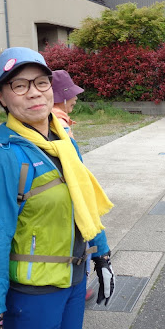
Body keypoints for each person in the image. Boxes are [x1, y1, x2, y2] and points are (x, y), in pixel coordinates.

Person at [0, 47, 114, 329]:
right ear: (2, 97)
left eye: (41, 83)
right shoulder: (1, 155)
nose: (34, 93)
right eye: (19, 85)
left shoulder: (63, 141)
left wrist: (101, 254)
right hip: (32, 293)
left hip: (73, 278)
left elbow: (82, 203)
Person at [51, 69, 97, 302]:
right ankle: (82, 282)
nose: (76, 98)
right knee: (82, 232)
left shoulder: (51, 117)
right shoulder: (60, 122)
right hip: (69, 186)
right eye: (73, 94)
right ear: (62, 96)